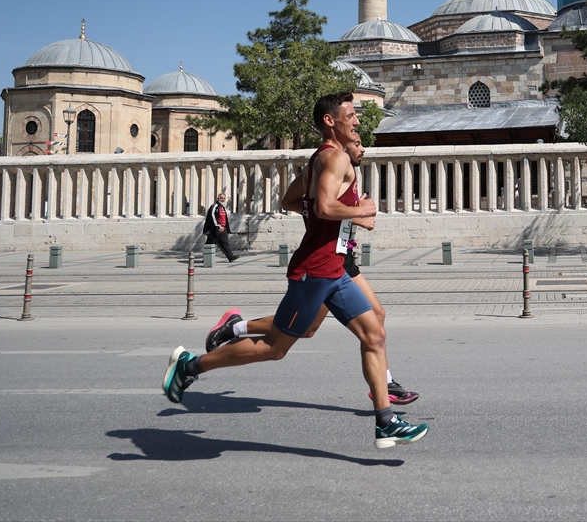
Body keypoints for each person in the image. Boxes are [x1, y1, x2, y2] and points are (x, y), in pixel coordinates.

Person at [162, 93, 428, 449]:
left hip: (336, 270)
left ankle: (385, 422)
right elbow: (324, 207)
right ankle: (190, 366)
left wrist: (332, 214)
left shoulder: (320, 160)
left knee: (374, 334)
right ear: (330, 121)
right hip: (315, 271)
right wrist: (360, 211)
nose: (357, 121)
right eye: (351, 115)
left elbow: (292, 201)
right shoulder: (334, 157)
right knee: (274, 348)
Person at [205, 138, 419, 405]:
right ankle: (227, 336)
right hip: (324, 262)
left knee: (342, 323)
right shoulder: (328, 164)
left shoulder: (345, 170)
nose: (362, 148)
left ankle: (385, 386)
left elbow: (314, 207)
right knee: (300, 331)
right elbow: (314, 207)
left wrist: (351, 216)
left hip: (341, 256)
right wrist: (356, 214)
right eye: (357, 141)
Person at [204, 192, 237, 262]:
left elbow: (224, 218)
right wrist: (218, 226)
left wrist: (225, 227)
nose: (223, 199)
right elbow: (212, 216)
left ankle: (231, 257)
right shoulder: (214, 206)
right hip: (215, 230)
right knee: (210, 244)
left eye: (224, 198)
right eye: (221, 198)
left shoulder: (222, 207)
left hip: (223, 229)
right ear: (218, 198)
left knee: (225, 243)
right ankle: (206, 258)